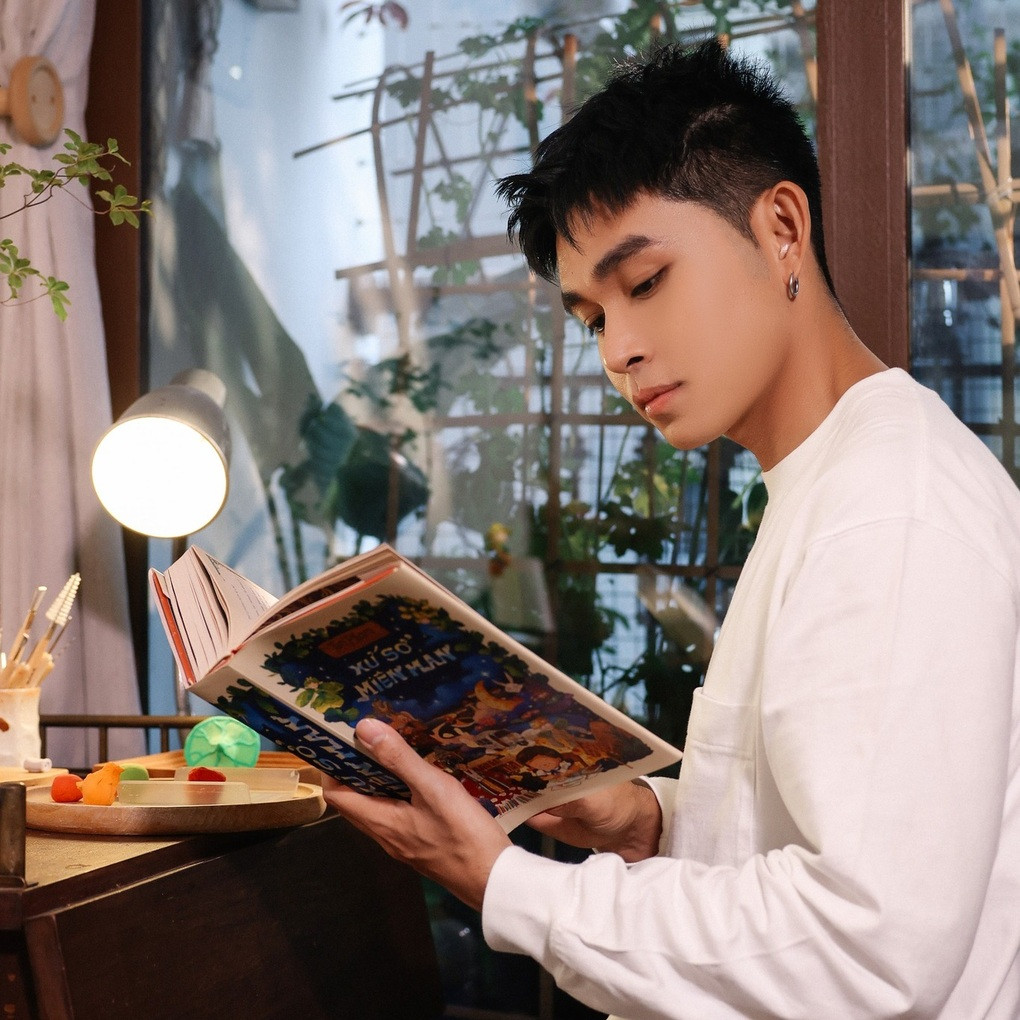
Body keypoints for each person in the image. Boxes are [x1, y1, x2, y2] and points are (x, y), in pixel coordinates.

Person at [322, 38, 1020, 1019]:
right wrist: (648, 819)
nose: (620, 349)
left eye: (645, 283)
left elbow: (868, 950)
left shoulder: (887, 508)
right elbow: (824, 841)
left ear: (782, 227)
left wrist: (509, 886)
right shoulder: (832, 480)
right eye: (592, 317)